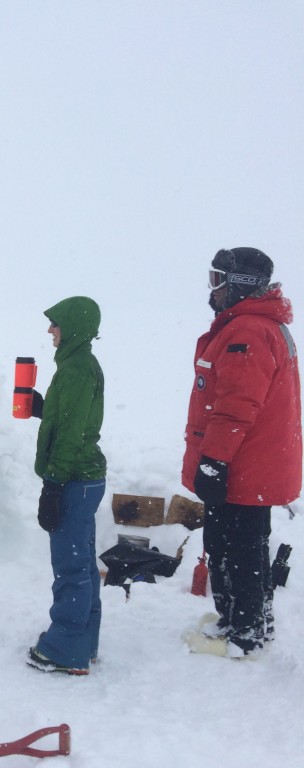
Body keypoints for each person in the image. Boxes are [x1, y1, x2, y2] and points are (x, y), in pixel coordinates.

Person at [182, 247, 301, 657]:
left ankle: (244, 633)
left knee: (233, 548)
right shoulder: (257, 326)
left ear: (239, 285)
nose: (211, 290)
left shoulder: (248, 331)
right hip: (252, 466)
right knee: (245, 546)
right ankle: (250, 622)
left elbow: (235, 407)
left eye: (218, 281)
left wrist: (214, 461)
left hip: (241, 467)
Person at [24, 296, 106, 676]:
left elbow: (72, 435)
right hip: (85, 480)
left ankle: (64, 648)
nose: (49, 330)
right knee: (83, 564)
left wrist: (53, 484)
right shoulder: (79, 365)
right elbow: (75, 419)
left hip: (74, 479)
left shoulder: (75, 369)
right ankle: (82, 642)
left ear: (71, 327)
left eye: (55, 324)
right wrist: (45, 409)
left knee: (71, 566)